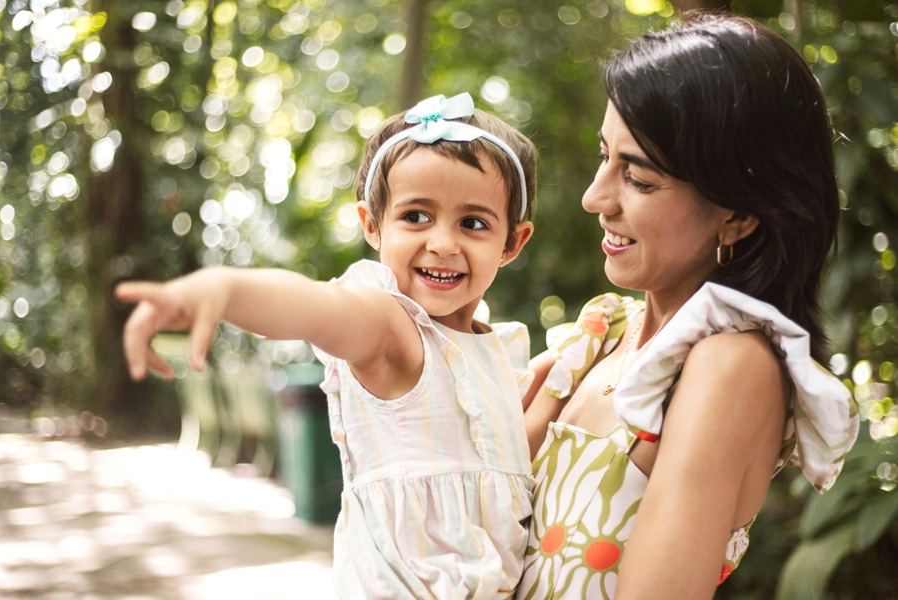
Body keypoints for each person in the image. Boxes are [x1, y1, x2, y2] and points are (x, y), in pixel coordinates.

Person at [116, 92, 538, 599]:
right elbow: (317, 308)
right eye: (417, 217)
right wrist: (226, 289)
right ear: (372, 224)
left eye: (472, 223)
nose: (443, 243)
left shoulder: (497, 346)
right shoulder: (392, 328)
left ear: (512, 243)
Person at [517, 13, 859, 600]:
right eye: (605, 156)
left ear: (738, 213)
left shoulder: (730, 367)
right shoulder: (602, 333)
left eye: (640, 180)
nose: (595, 197)